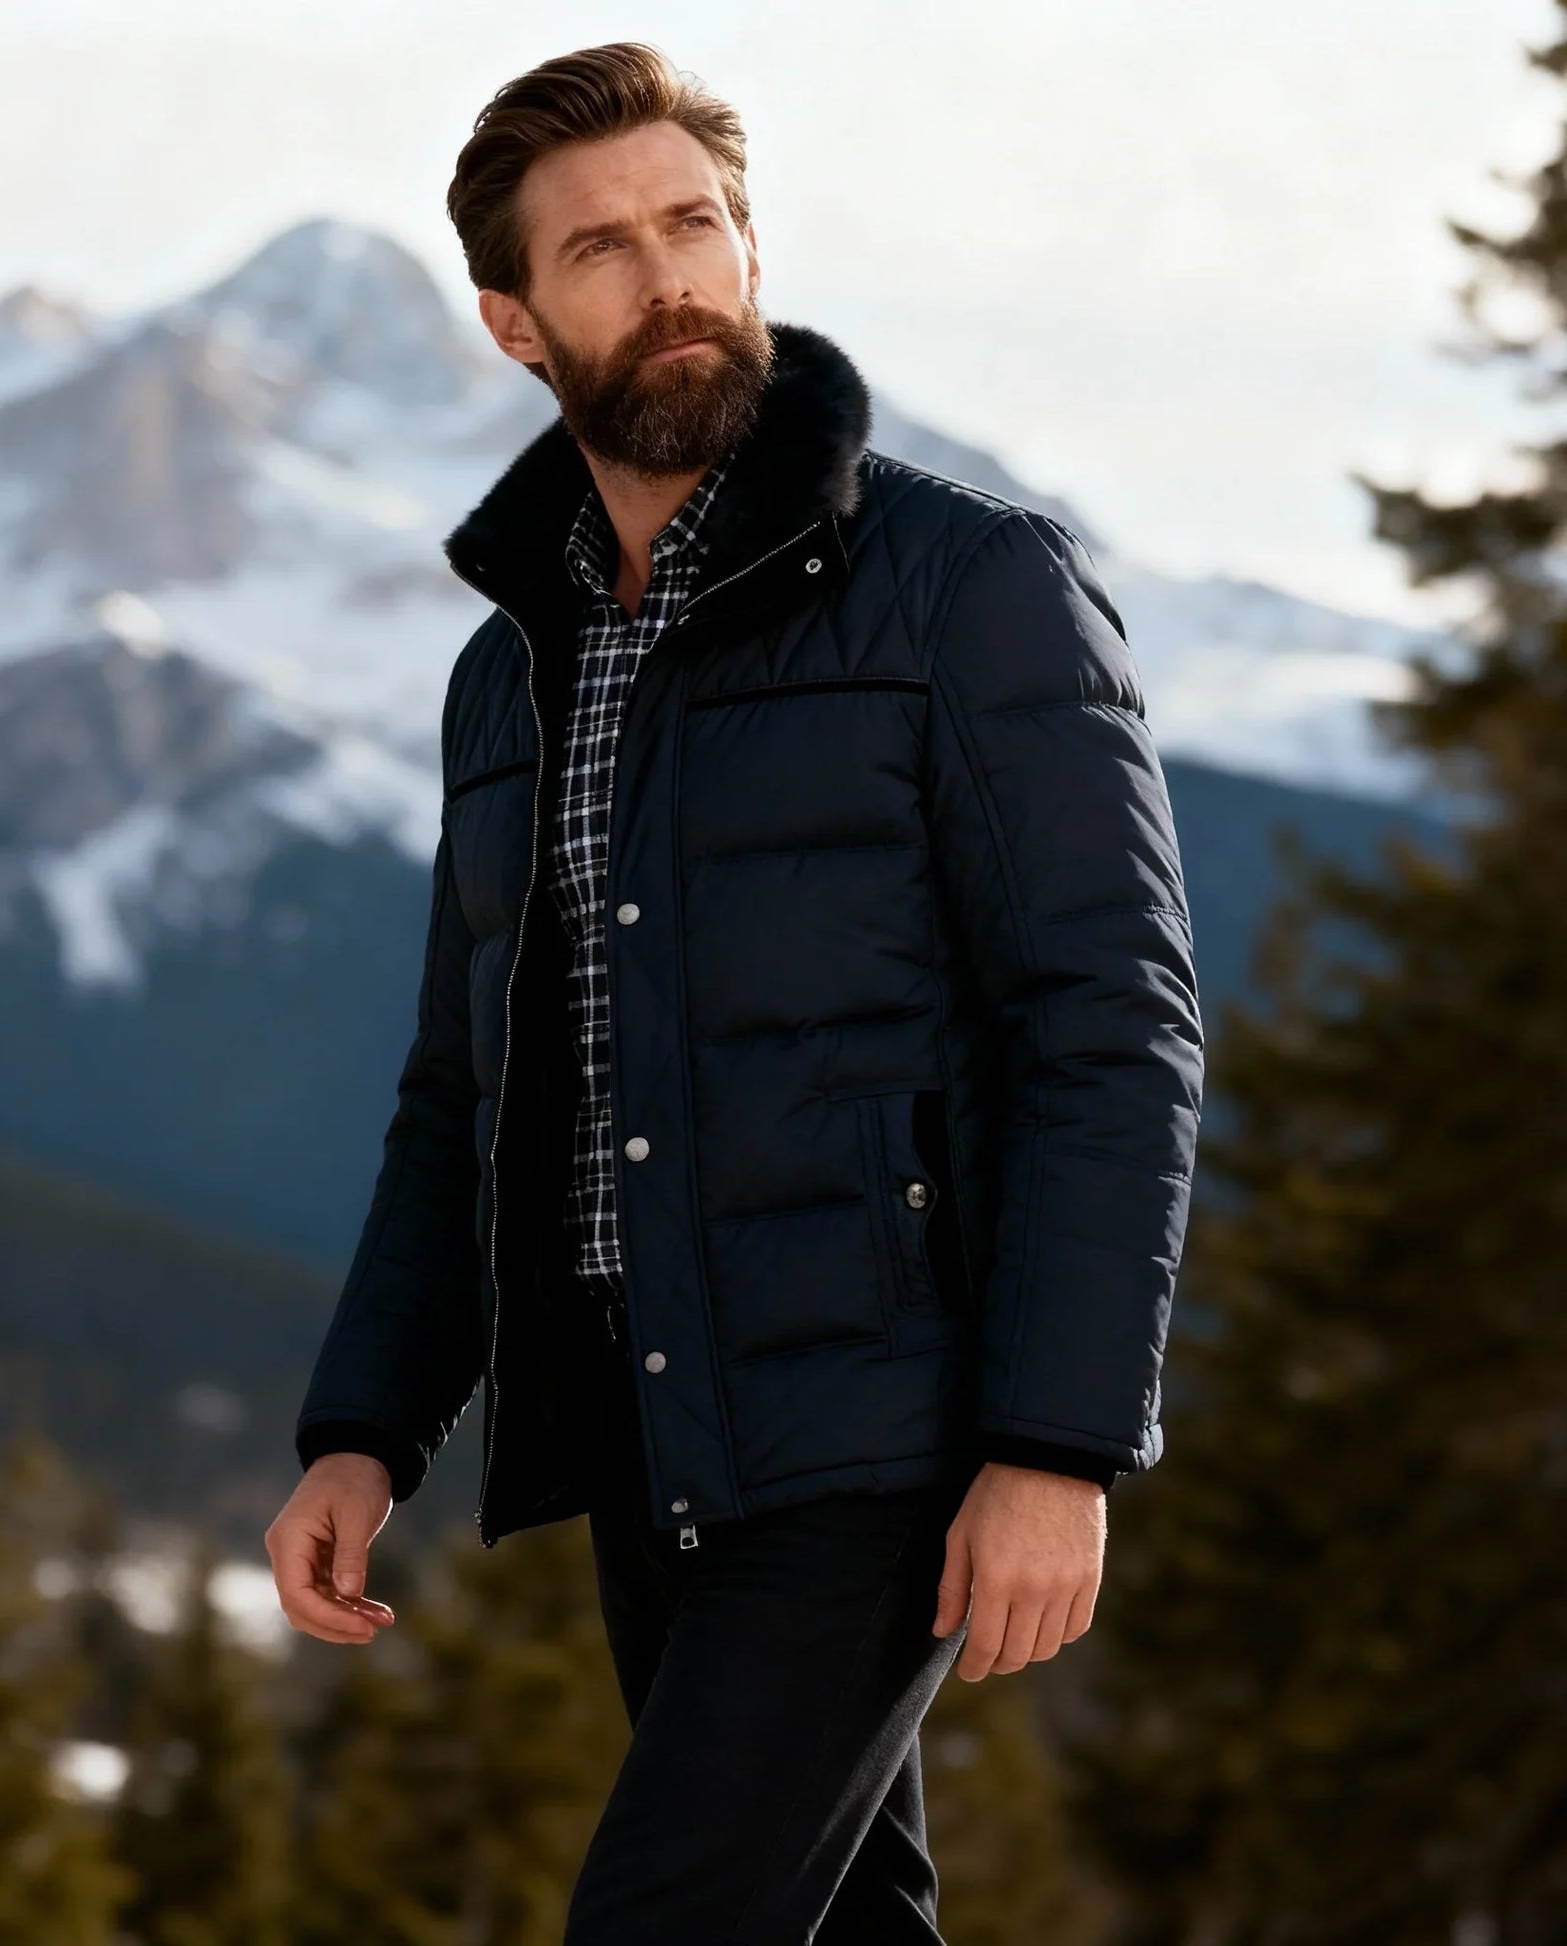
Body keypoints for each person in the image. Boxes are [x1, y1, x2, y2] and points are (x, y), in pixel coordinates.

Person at [266, 39, 1204, 1944]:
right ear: (515, 324)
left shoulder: (968, 586)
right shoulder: (509, 672)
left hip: (882, 1423)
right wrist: (365, 1425)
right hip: (650, 1430)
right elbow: (465, 1094)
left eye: (693, 224)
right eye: (600, 249)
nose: (668, 276)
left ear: (752, 250)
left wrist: (1054, 1443)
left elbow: (1108, 1024)